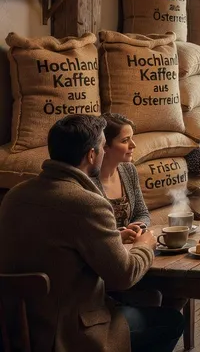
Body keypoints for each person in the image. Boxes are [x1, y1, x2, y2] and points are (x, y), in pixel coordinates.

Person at [0, 114, 183, 352]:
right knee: (171, 321)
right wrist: (144, 246)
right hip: (68, 333)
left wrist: (115, 237)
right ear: (91, 155)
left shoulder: (15, 196)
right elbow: (124, 276)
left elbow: (58, 246)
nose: (105, 152)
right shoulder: (88, 203)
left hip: (16, 329)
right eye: (101, 147)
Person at [91, 113, 151, 244]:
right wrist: (118, 236)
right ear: (105, 146)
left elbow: (142, 213)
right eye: (125, 140)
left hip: (129, 248)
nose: (133, 145)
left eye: (132, 138)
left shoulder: (129, 170)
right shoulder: (88, 181)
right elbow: (90, 232)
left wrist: (137, 227)